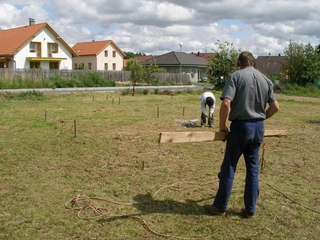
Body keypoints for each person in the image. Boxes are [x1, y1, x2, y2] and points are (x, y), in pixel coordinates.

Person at [204, 51, 279, 217]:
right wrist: (259, 119)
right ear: (253, 63)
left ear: (239, 63)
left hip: (240, 127)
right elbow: (275, 107)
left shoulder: (236, 77)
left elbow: (225, 103)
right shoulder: (265, 79)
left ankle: (220, 206)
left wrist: (222, 125)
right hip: (258, 128)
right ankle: (250, 209)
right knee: (253, 169)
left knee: (229, 166)